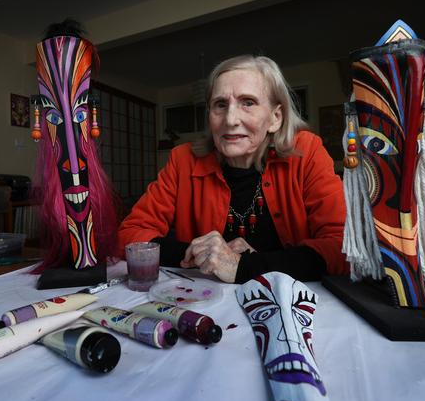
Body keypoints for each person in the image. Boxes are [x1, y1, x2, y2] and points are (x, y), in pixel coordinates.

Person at [118, 55, 348, 283]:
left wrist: (243, 266)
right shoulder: (183, 160)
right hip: (207, 303)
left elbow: (343, 247)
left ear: (275, 118)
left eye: (248, 102)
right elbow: (130, 235)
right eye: (220, 104)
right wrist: (205, 254)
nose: (230, 119)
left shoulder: (306, 153)